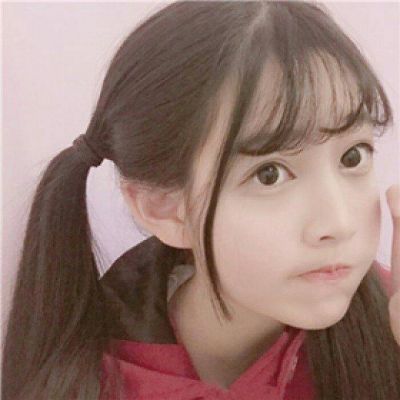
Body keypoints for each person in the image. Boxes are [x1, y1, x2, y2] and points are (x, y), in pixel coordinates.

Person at [2, 1, 400, 399]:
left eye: (353, 156)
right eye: (270, 174)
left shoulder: (387, 325)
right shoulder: (91, 384)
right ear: (164, 207)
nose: (339, 223)